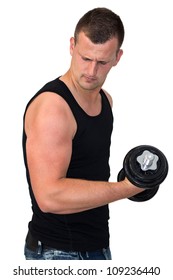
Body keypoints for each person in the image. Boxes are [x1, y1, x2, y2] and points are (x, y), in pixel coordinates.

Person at [23, 7, 144, 260]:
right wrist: (128, 187)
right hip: (57, 253)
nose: (91, 71)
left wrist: (132, 180)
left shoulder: (105, 101)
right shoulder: (53, 108)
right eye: (85, 58)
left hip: (97, 245)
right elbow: (49, 197)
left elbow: (90, 171)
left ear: (117, 57)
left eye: (102, 62)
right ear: (72, 46)